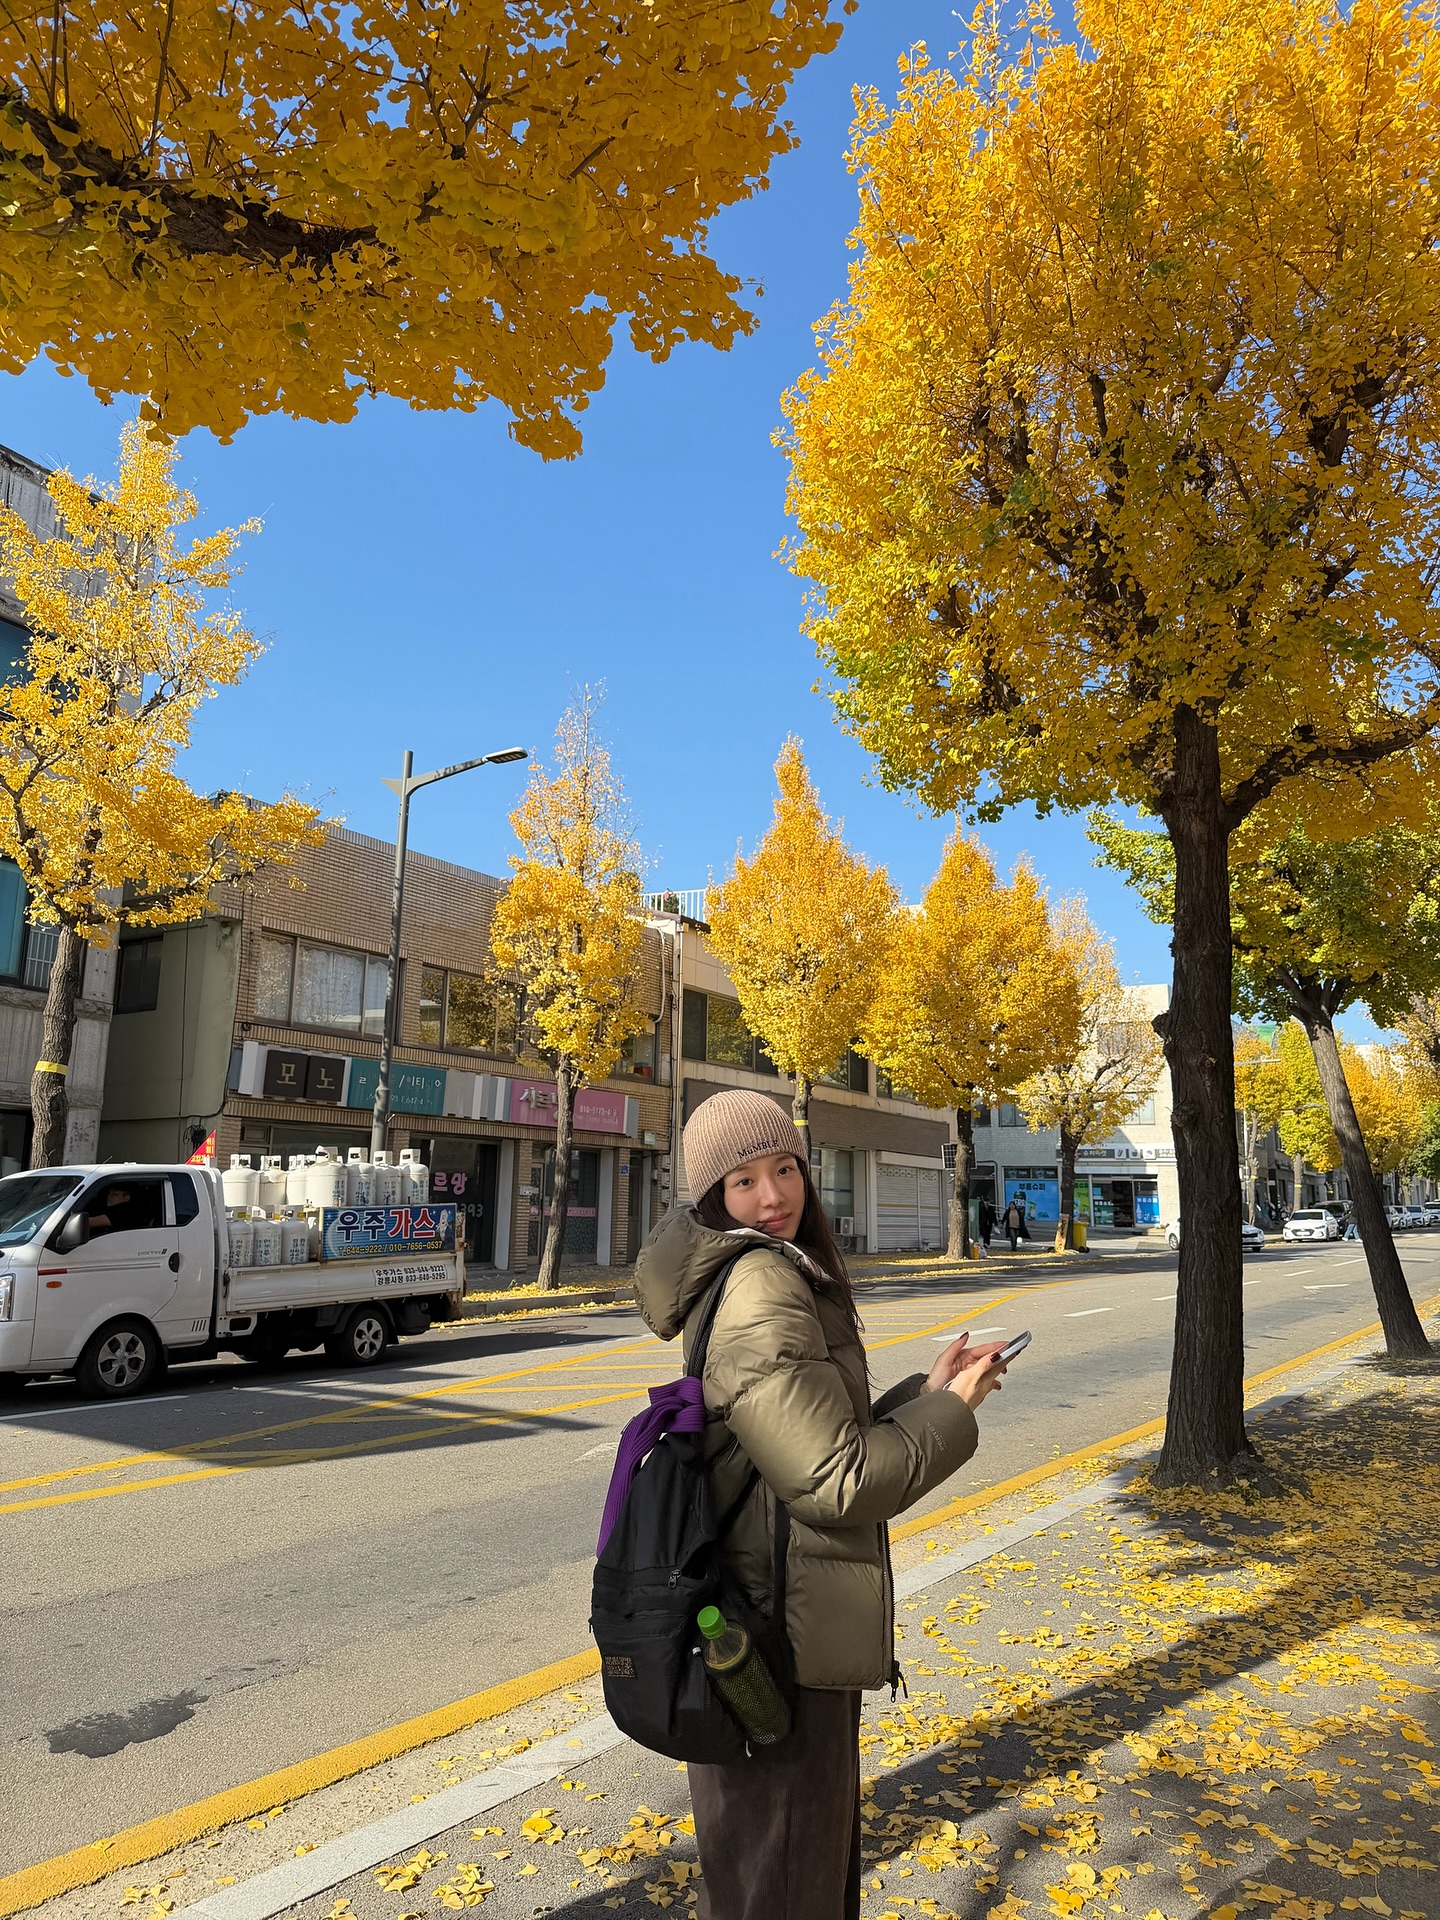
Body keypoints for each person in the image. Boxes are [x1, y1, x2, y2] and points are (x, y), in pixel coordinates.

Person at [633, 1089, 1010, 1920]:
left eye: (784, 1168)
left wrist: (928, 1391)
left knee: (770, 1876)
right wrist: (957, 1413)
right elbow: (837, 1481)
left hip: (767, 1620)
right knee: (787, 1885)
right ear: (710, 1199)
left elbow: (808, 1438)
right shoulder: (762, 1283)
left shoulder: (753, 1271)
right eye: (742, 1182)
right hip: (780, 1644)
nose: (773, 1197)